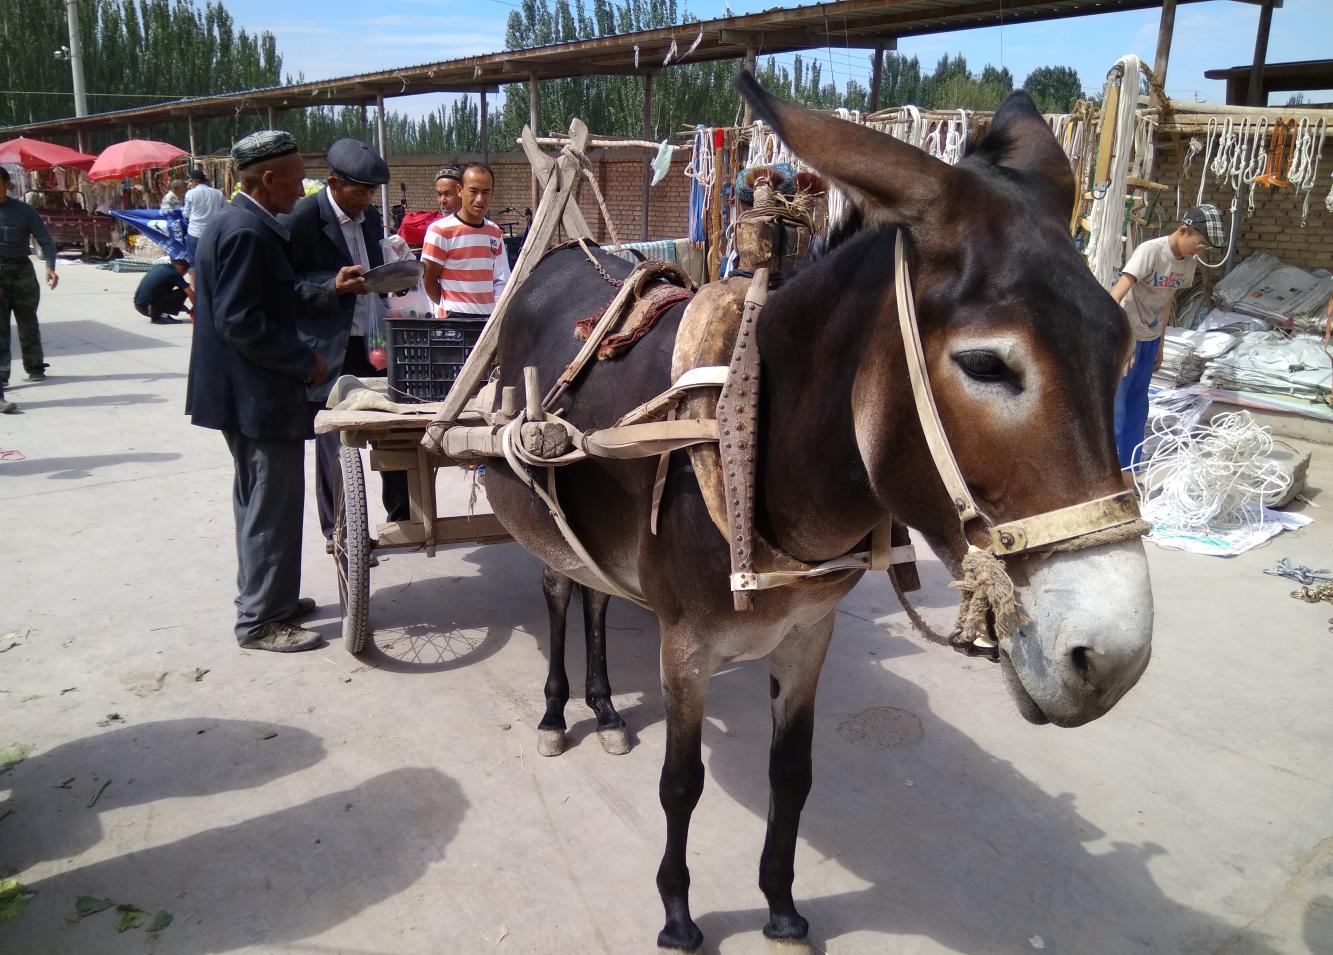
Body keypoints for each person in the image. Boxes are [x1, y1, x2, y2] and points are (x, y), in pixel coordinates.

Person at [186, 130, 366, 653]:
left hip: (247, 393)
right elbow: (241, 322)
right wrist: (303, 360)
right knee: (271, 505)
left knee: (260, 500)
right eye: (295, 178)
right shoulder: (245, 231)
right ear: (267, 180)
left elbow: (277, 296)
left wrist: (330, 287)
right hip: (254, 396)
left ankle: (272, 599)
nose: (302, 188)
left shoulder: (244, 223)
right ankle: (262, 621)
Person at [283, 138, 410, 542]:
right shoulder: (302, 218)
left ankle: (403, 518)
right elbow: (285, 288)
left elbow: (376, 267)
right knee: (336, 441)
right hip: (329, 346)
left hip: (372, 341)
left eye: (372, 192)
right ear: (334, 183)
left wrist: (394, 273)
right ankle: (343, 532)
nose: (367, 199)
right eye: (360, 191)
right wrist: (332, 287)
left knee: (393, 428)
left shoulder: (370, 219)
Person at [1108, 203, 1223, 475]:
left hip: (1149, 340)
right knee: (1117, 408)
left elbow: (1167, 301)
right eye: (1200, 242)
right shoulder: (1150, 252)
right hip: (1127, 338)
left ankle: (1130, 468)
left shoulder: (1188, 263)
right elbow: (1114, 298)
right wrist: (1122, 343)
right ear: (1184, 231)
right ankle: (1108, 470)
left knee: (1138, 406)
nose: (1200, 250)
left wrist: (1160, 345)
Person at [0, 165, 58, 414]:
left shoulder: (24, 211)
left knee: (27, 320)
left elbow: (44, 239)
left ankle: (34, 366)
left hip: (22, 271)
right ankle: (2, 374)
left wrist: (50, 266)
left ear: (6, 184)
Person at [421, 162, 510, 320]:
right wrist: (449, 310)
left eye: (486, 192)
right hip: (453, 324)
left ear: (493, 194)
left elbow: (501, 279)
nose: (480, 199)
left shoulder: (495, 232)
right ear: (460, 191)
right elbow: (428, 279)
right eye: (474, 191)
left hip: (486, 324)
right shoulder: (440, 231)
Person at [182, 169, 225, 262]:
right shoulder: (218, 193)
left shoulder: (190, 194)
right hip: (214, 234)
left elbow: (186, 214)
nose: (191, 184)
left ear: (195, 181)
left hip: (195, 233)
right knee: (215, 263)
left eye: (191, 181)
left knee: (194, 265)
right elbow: (225, 211)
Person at [133, 258, 194, 323]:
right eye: (185, 273)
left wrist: (187, 310)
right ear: (182, 270)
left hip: (139, 305)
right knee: (182, 292)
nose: (183, 275)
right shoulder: (175, 274)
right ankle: (158, 317)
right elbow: (191, 294)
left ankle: (161, 314)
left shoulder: (159, 266)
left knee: (168, 292)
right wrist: (197, 308)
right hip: (148, 308)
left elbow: (169, 300)